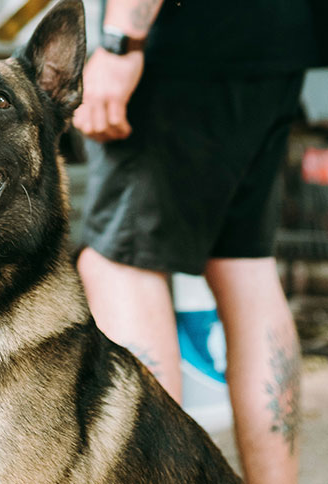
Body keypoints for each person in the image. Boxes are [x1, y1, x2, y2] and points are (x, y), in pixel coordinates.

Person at [73, 1, 324, 483]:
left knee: (121, 265)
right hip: (282, 40)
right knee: (245, 265)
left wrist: (122, 41)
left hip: (178, 44)